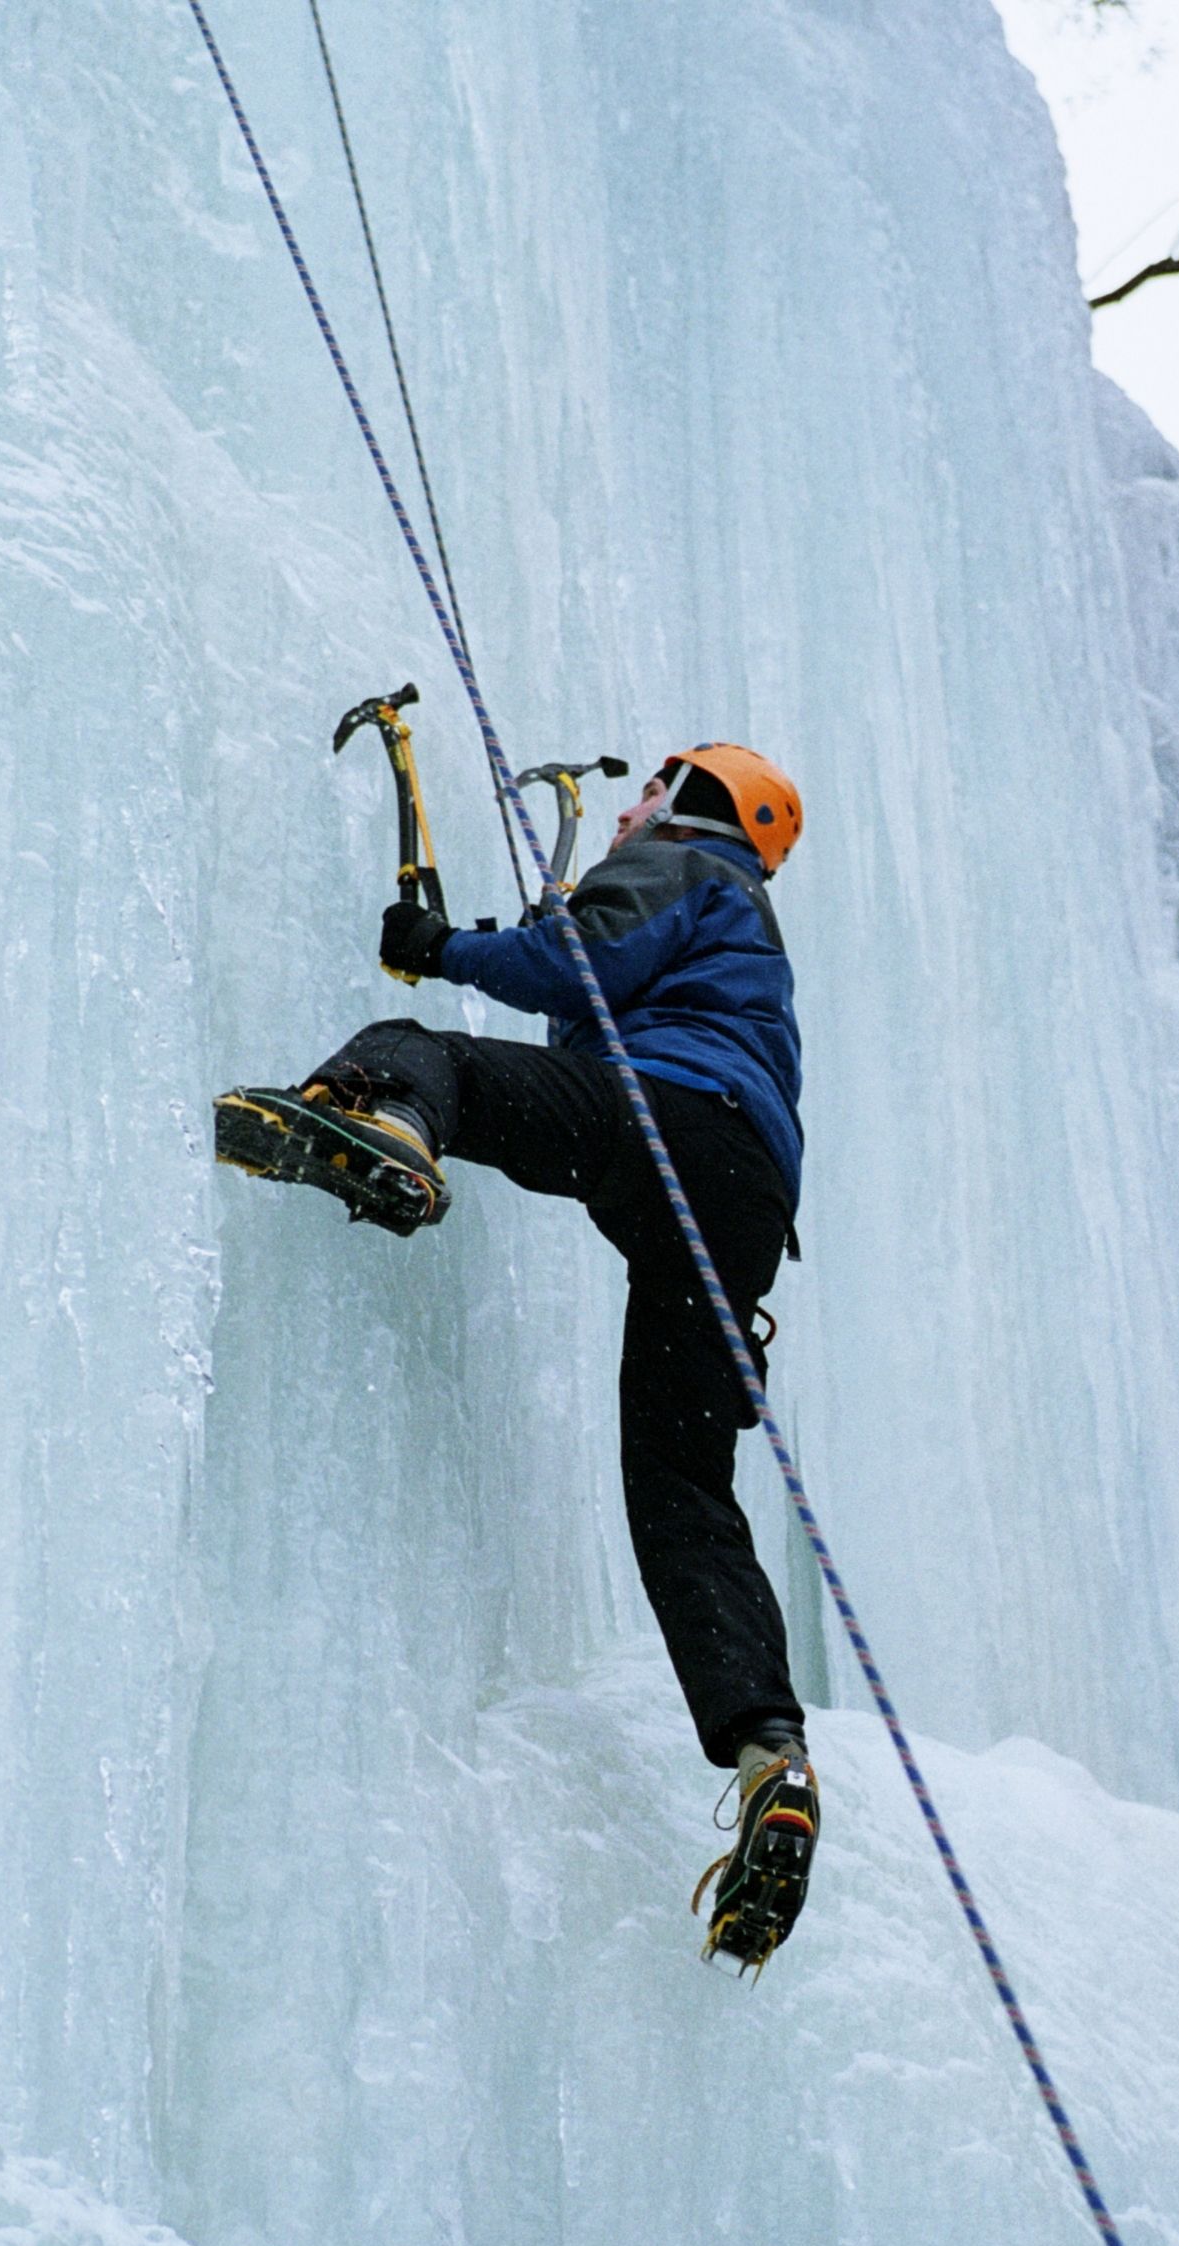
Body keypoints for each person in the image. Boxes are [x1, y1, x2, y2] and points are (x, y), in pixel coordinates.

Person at [214, 743, 819, 1969]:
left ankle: (382, 1130)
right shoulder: (738, 930)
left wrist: (438, 950)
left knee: (413, 1045)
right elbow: (587, 982)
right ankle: (772, 1757)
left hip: (660, 1128)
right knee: (681, 1490)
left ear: (701, 807)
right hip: (740, 1197)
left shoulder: (687, 864)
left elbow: (579, 964)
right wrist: (506, 939)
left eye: (657, 788)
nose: (633, 806)